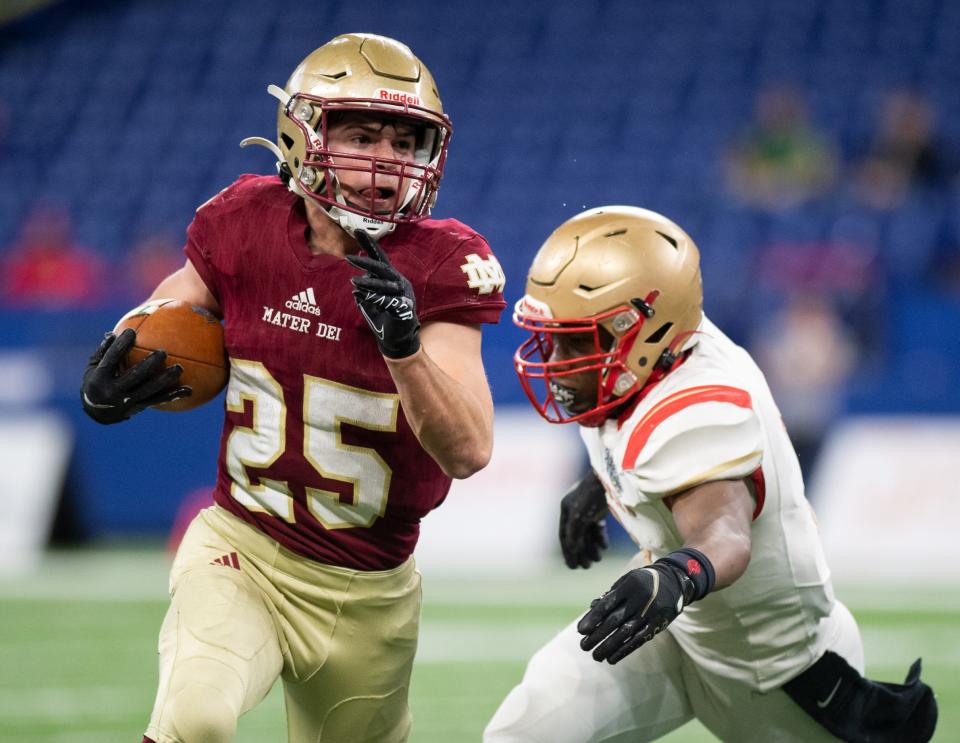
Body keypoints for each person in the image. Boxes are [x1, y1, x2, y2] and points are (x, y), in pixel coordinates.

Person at [79, 33, 505, 743]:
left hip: (369, 591)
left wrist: (403, 348)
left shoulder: (442, 262)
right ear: (302, 135)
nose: (386, 161)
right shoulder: (243, 221)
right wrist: (115, 367)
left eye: (405, 141)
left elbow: (468, 449)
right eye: (363, 134)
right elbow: (168, 315)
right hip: (241, 547)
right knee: (196, 717)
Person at [485, 206, 936, 742]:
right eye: (555, 336)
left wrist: (672, 577)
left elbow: (724, 537)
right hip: (676, 634)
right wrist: (603, 484)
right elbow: (640, 439)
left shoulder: (697, 405)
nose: (558, 358)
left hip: (775, 673)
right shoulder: (652, 353)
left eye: (576, 341)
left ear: (642, 329)